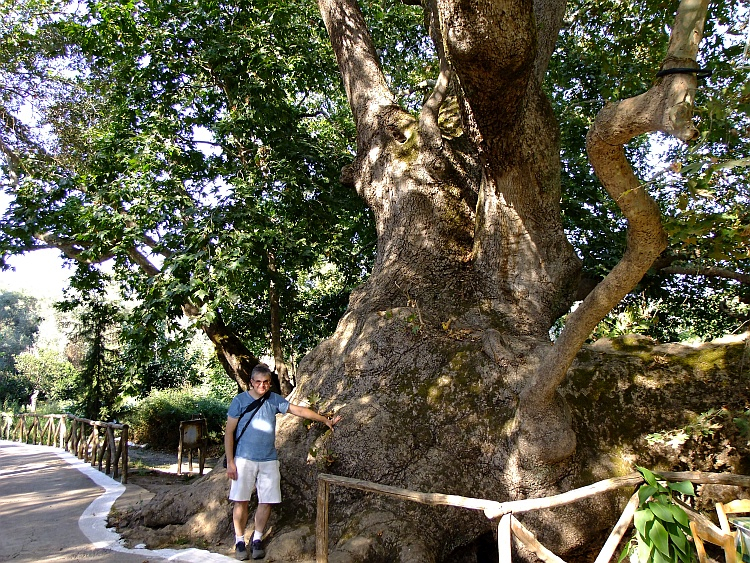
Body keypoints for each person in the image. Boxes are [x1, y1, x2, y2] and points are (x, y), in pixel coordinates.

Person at [225, 363, 341, 561]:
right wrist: (230, 461)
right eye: (258, 382)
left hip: (268, 459)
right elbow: (229, 432)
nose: (262, 386)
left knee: (266, 501)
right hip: (243, 459)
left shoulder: (273, 400)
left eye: (266, 382)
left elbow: (300, 411)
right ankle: (239, 541)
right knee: (241, 500)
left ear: (270, 383)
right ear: (251, 382)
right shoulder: (240, 401)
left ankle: (258, 539)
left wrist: (324, 420)